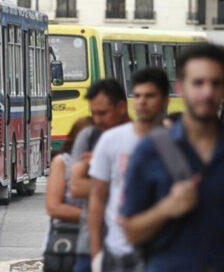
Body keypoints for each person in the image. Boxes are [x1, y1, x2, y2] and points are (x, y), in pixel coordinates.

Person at [121, 43, 224, 272]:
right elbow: (130, 230)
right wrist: (166, 208)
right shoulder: (150, 151)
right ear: (181, 87)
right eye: (198, 83)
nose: (207, 92)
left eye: (216, 83)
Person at [88, 67, 170, 272]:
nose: (142, 102)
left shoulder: (176, 142)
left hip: (163, 250)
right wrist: (96, 253)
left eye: (150, 96)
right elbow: (97, 197)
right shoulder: (111, 140)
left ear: (165, 100)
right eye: (138, 96)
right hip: (119, 251)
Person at [69, 79, 130, 272]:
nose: (97, 120)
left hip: (131, 248)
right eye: (93, 113)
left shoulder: (141, 138)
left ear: (121, 107)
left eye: (103, 113)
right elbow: (76, 187)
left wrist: (97, 172)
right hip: (89, 247)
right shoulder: (89, 137)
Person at [46, 116, 93, 224]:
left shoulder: (105, 161)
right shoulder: (62, 162)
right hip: (68, 233)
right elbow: (54, 207)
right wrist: (95, 217)